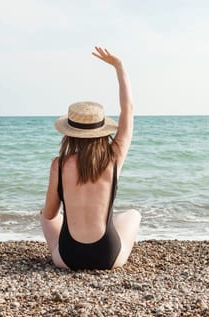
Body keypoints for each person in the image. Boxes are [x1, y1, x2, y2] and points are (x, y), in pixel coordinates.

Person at [40, 47, 141, 270]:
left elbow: (50, 213)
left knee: (46, 217)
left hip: (68, 259)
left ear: (70, 131)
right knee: (133, 215)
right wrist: (119, 67)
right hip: (108, 257)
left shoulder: (59, 165)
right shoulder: (114, 157)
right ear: (102, 130)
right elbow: (128, 110)